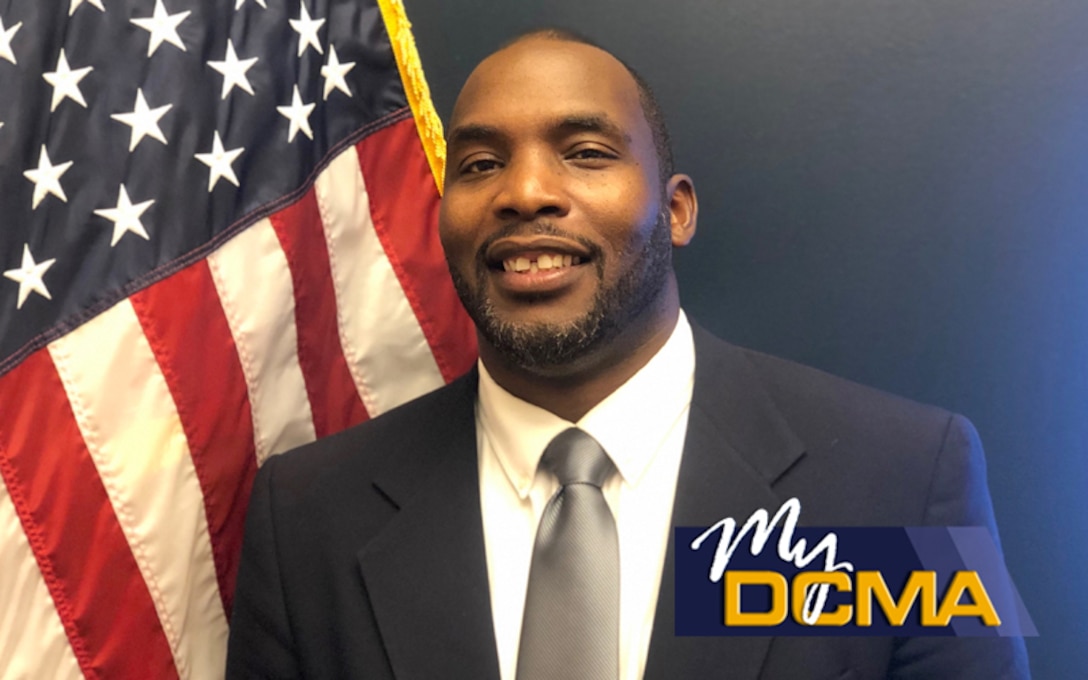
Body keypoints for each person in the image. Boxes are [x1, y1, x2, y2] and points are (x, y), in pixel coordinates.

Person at [226, 29, 1030, 679]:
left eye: (584, 151)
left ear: (675, 211)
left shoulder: (897, 481)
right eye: (479, 164)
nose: (525, 191)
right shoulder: (309, 517)